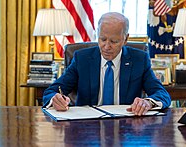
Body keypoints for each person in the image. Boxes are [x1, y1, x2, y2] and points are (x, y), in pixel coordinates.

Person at [43, 12, 171, 116]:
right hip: (87, 126)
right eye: (102, 39)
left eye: (114, 41)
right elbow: (52, 91)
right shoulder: (82, 58)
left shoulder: (139, 59)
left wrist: (148, 103)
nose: (106, 46)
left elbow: (162, 94)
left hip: (127, 125)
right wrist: (55, 99)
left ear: (125, 39)